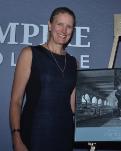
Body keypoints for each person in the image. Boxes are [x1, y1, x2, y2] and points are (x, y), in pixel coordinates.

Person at [9, 7, 77, 151]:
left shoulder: (73, 63)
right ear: (50, 25)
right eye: (60, 24)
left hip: (64, 137)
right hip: (34, 135)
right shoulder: (30, 53)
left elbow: (72, 107)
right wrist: (16, 137)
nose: (64, 31)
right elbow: (16, 101)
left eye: (69, 26)